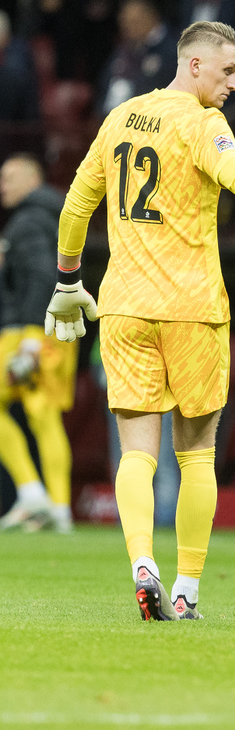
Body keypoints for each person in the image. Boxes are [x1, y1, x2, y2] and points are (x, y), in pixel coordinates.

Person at [44, 20, 235, 622]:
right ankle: (186, 590)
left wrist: (69, 280)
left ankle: (141, 563)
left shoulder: (118, 118)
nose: (234, 83)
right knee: (196, 455)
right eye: (227, 71)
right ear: (194, 65)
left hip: (122, 306)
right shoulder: (201, 124)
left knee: (136, 455)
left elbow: (74, 205)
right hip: (192, 308)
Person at [0, 153, 77, 533]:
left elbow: (40, 276)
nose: (3, 187)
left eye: (9, 178)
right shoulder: (53, 217)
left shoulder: (28, 222)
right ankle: (58, 507)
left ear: (33, 180)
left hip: (31, 330)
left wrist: (30, 339)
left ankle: (33, 493)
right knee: (44, 416)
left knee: (36, 415)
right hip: (57, 327)